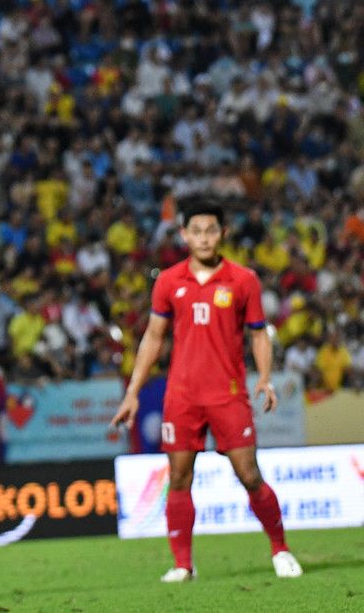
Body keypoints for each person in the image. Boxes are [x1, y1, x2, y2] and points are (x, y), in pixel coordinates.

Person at [111, 201, 302, 582]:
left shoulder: (243, 279)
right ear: (183, 235)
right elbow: (153, 336)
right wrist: (133, 391)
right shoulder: (168, 281)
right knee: (179, 477)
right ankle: (184, 564)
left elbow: (259, 332)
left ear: (223, 234)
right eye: (196, 231)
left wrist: (264, 376)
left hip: (228, 394)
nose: (204, 238)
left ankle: (280, 550)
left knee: (249, 475)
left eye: (211, 230)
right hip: (181, 396)